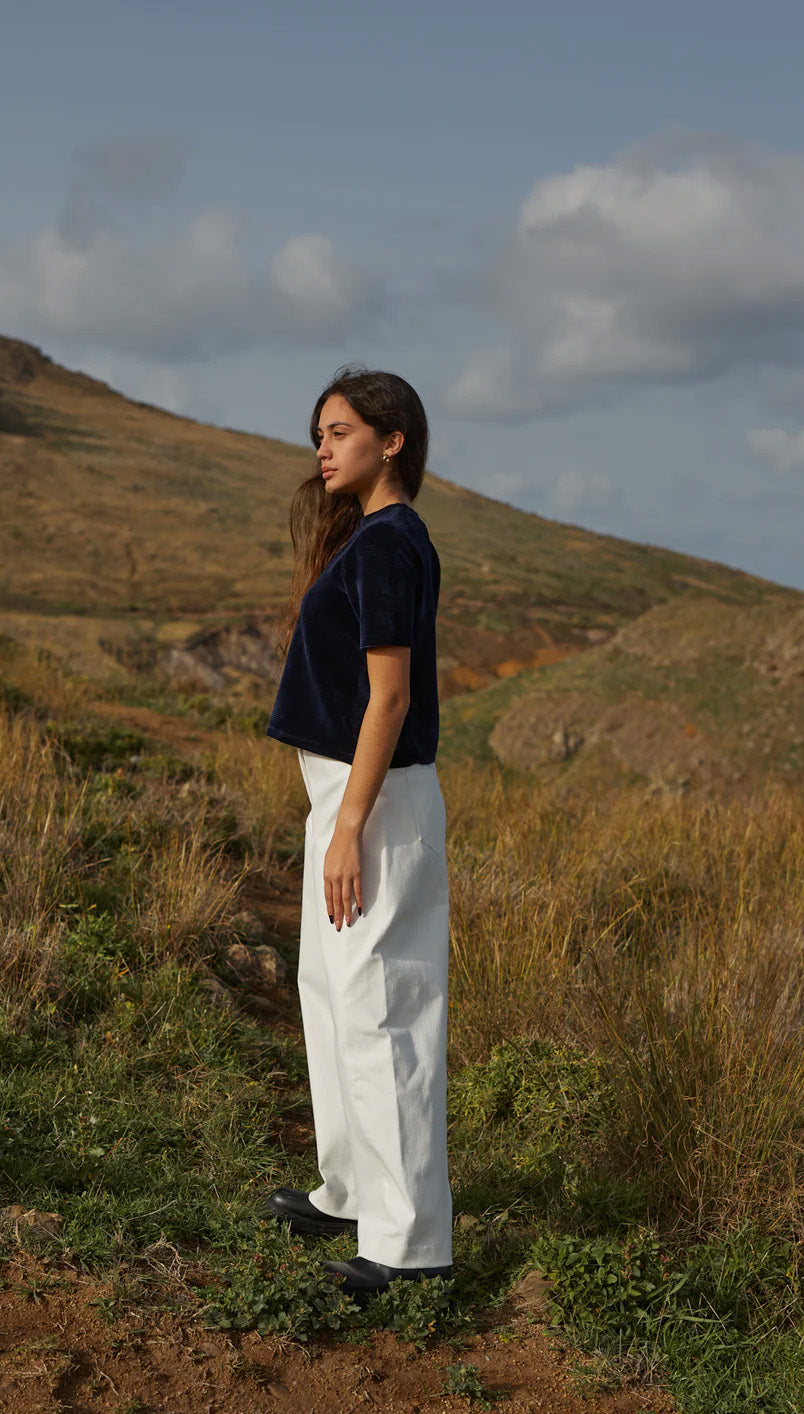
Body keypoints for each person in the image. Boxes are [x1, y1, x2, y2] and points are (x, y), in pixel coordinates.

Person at [262, 365, 453, 1299]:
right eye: (319, 436)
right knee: (332, 999)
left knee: (383, 1012)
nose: (323, 449)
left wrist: (350, 828)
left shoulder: (387, 545)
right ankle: (347, 1190)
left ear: (392, 441)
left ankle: (410, 1245)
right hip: (344, 796)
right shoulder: (375, 539)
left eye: (338, 431)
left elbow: (391, 697)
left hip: (373, 801)